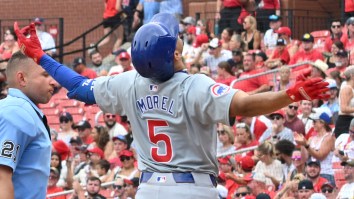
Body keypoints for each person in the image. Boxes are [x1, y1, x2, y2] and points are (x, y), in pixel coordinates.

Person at [14, 13, 329, 199]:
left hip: (149, 189)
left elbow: (80, 88)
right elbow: (245, 105)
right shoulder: (196, 85)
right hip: (193, 190)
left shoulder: (130, 81)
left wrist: (41, 57)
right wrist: (292, 94)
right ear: (176, 55)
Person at [0, 51, 58, 198]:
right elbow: (2, 177)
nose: (53, 81)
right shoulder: (16, 112)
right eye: (45, 75)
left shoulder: (20, 109)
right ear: (22, 78)